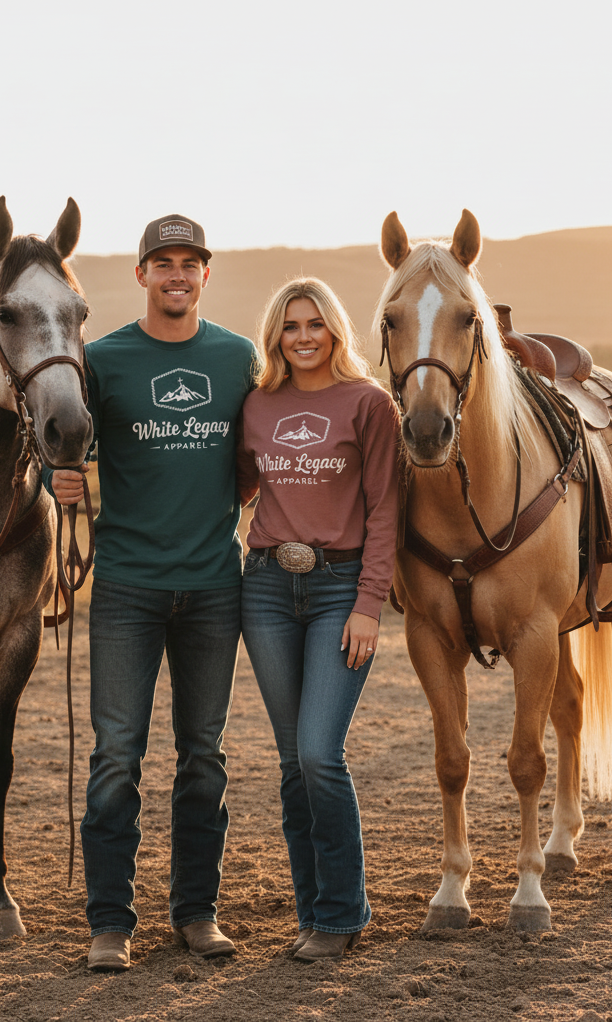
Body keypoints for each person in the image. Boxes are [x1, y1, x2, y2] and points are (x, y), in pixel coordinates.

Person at [48, 214, 257, 972]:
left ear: (206, 274)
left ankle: (197, 913)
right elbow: (59, 436)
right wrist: (58, 478)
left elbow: (260, 454)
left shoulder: (238, 358)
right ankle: (110, 922)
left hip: (213, 586)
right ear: (140, 274)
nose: (176, 274)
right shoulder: (102, 361)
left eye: (189, 263)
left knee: (203, 756)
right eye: (162, 262)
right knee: (116, 756)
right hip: (128, 587)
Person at [236, 277, 400, 961]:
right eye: (290, 326)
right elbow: (239, 487)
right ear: (276, 335)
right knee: (290, 764)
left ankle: (342, 912)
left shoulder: (370, 404)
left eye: (315, 325)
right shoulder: (257, 404)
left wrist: (369, 605)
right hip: (268, 588)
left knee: (318, 755)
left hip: (339, 590)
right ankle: (311, 913)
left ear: (336, 330)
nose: (303, 337)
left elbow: (387, 509)